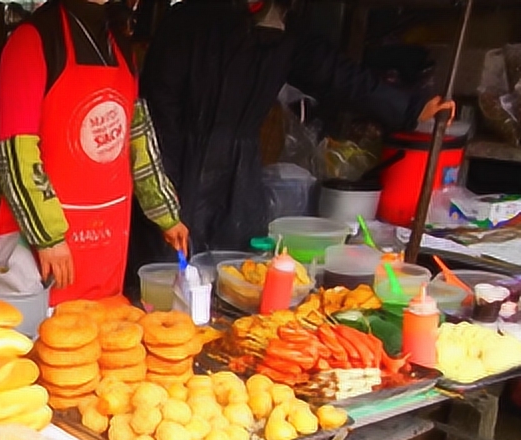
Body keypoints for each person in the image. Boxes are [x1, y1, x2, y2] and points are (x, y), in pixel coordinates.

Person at [140, 0, 454, 254]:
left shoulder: (282, 27)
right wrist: (161, 189)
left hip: (240, 175)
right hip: (179, 162)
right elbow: (155, 108)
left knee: (236, 268)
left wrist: (412, 108)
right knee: (169, 273)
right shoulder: (188, 21)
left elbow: (340, 76)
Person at [0, 0, 188, 304]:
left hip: (109, 237)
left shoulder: (119, 44)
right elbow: (16, 155)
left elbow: (138, 137)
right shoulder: (33, 40)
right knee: (48, 340)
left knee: (105, 333)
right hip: (49, 247)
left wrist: (165, 213)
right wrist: (49, 238)